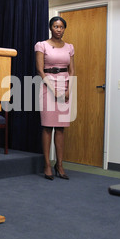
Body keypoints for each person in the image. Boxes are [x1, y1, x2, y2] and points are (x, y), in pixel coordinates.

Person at [35, 16, 75, 180]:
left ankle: (60, 165)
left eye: (61, 27)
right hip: (47, 85)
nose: (59, 29)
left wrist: (67, 91)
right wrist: (53, 90)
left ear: (64, 29)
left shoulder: (70, 47)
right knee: (47, 127)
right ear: (51, 28)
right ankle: (47, 165)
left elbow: (72, 70)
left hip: (65, 86)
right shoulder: (41, 45)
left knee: (60, 128)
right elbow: (40, 70)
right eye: (55, 26)